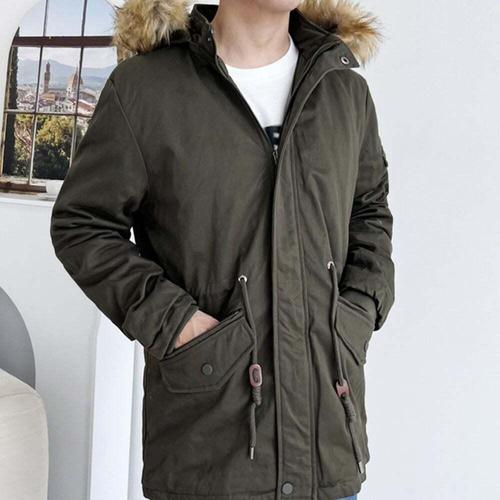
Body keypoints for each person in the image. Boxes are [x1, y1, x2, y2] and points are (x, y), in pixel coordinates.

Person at [50, 1, 394, 499]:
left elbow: (370, 213)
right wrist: (175, 322)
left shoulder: (343, 89)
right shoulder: (147, 89)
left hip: (329, 453)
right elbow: (83, 224)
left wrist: (356, 313)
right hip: (209, 455)